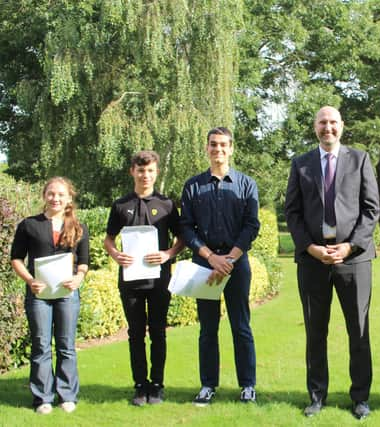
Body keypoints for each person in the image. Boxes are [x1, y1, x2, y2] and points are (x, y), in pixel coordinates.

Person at [284, 106, 380, 419]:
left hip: (353, 260)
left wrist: (350, 246)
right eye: (323, 123)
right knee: (315, 331)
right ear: (315, 127)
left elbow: (371, 209)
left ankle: (361, 398)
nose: (328, 128)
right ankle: (316, 397)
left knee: (359, 330)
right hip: (313, 260)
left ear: (342, 126)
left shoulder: (360, 159)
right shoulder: (301, 164)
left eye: (333, 122)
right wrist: (310, 247)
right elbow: (293, 213)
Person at [181, 126, 260, 406]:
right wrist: (211, 258)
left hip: (236, 266)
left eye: (223, 145)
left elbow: (251, 226)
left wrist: (229, 259)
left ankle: (248, 385)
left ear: (231, 148)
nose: (218, 150)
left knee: (241, 326)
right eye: (213, 145)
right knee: (207, 329)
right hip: (204, 266)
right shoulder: (192, 186)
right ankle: (208, 385)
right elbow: (186, 228)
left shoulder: (247, 184)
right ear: (207, 148)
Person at [104, 150, 184, 406]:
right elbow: (108, 239)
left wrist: (167, 254)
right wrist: (116, 254)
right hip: (130, 281)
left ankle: (157, 385)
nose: (145, 175)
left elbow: (182, 239)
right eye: (141, 170)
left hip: (159, 279)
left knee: (158, 332)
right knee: (135, 333)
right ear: (132, 172)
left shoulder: (167, 204)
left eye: (150, 171)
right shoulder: (120, 205)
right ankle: (140, 386)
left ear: (156, 172)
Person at [10, 177, 89, 415]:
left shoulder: (78, 227)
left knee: (66, 346)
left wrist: (78, 279)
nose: (55, 198)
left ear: (68, 199)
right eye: (51, 194)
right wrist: (30, 280)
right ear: (45, 195)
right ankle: (43, 397)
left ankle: (66, 395)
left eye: (60, 195)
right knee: (41, 345)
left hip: (67, 294)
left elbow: (84, 262)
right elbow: (16, 259)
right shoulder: (29, 225)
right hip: (39, 295)